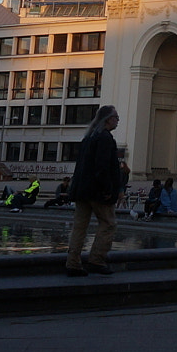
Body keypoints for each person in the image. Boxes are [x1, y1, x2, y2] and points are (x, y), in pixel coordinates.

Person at [66, 105, 123, 277]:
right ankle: (97, 259)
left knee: (79, 226)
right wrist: (108, 189)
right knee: (108, 224)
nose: (118, 121)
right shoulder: (105, 138)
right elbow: (102, 167)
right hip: (97, 191)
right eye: (116, 117)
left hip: (81, 190)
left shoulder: (89, 137)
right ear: (108, 119)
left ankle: (73, 262)